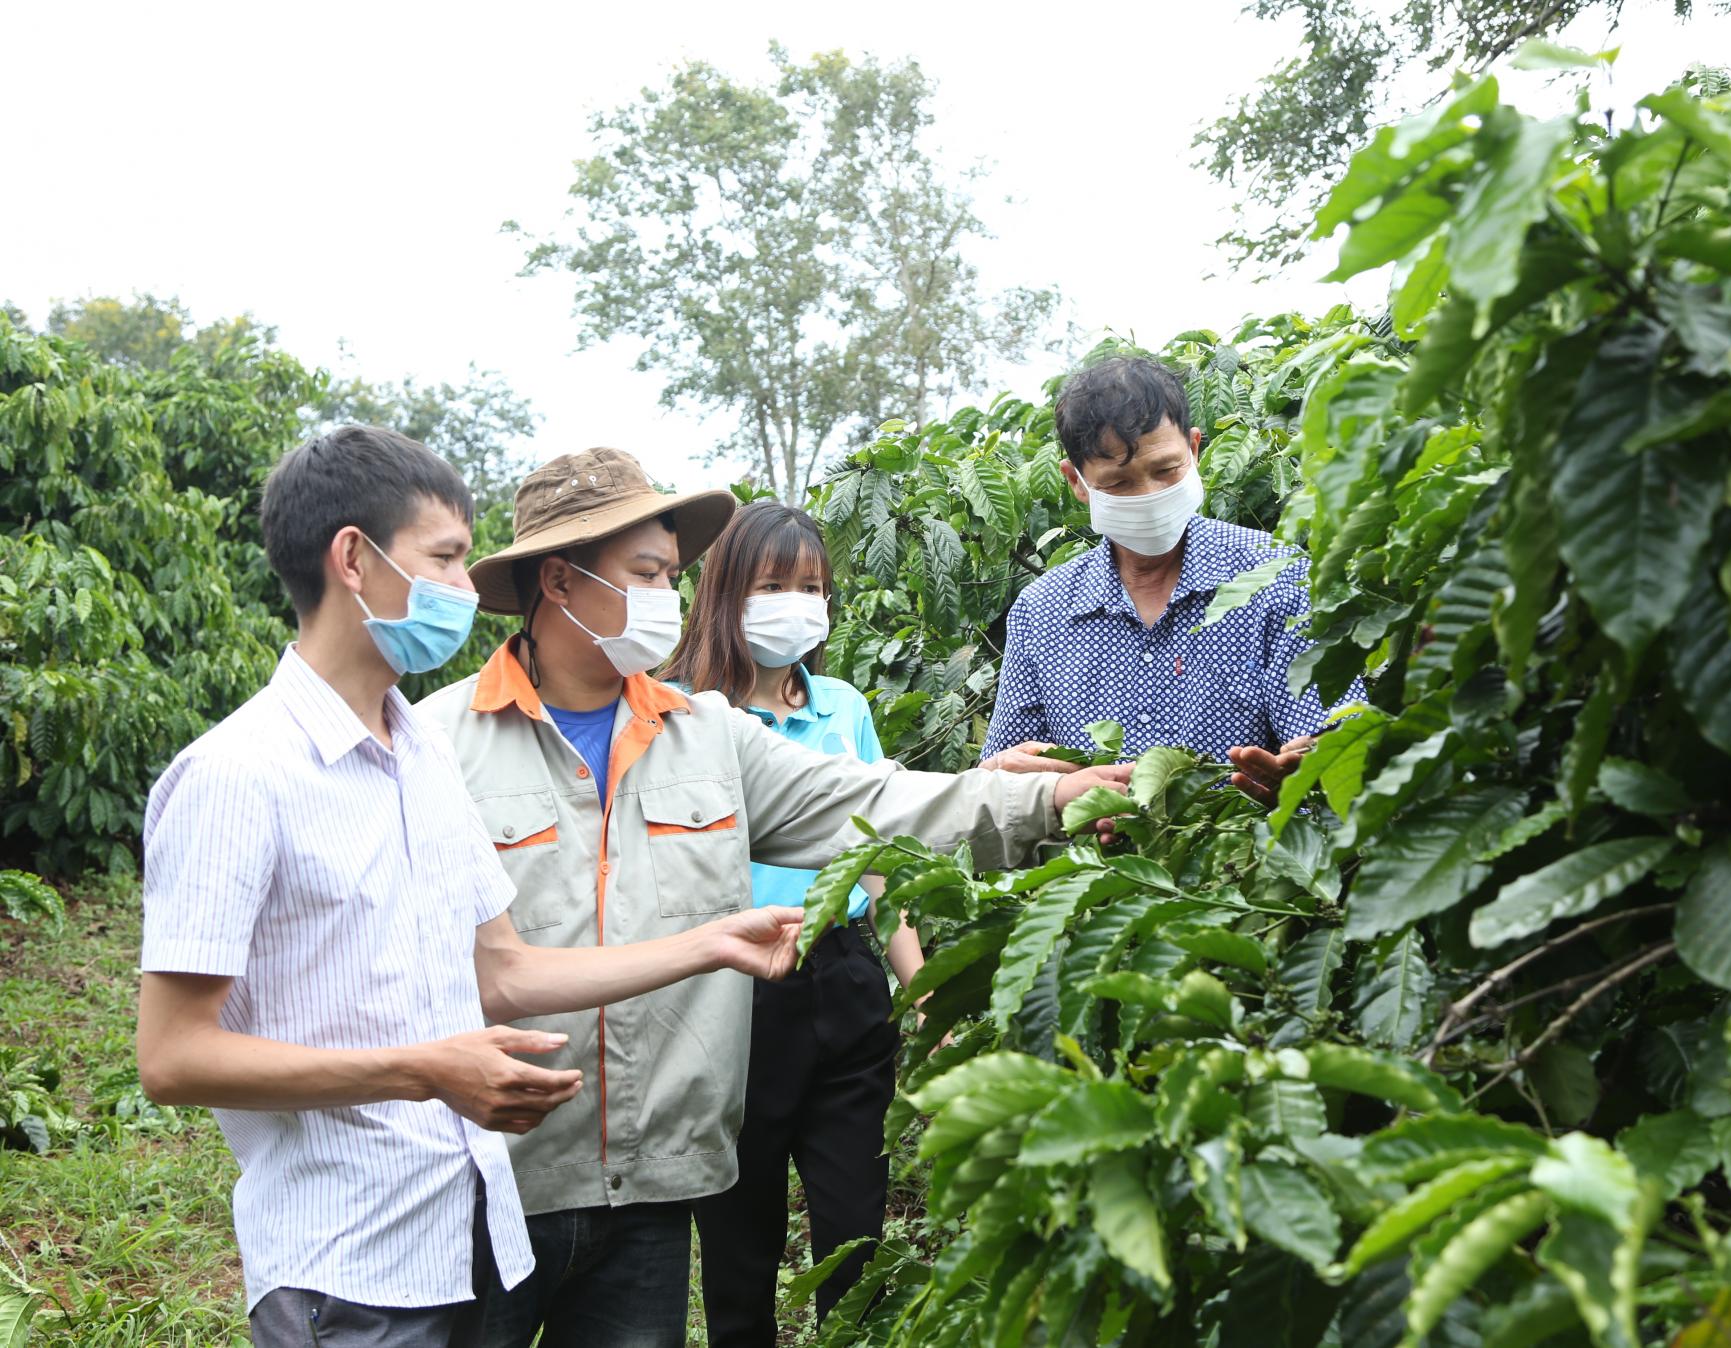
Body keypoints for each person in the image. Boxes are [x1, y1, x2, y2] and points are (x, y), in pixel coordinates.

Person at [416, 448, 1130, 1348]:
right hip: (493, 1174)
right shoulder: (436, 743)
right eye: (645, 575)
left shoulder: (709, 736)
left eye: (671, 578)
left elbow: (870, 802)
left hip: (654, 1185)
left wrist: (1047, 798)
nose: (665, 599)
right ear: (560, 580)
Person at [136, 426, 811, 1348]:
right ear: (352, 560)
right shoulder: (237, 776)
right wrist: (425, 1070)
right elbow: (172, 1059)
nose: (467, 592)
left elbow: (506, 967)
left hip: (463, 1228)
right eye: (448, 561)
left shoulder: (419, 755)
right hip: (342, 1270)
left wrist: (708, 944)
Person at [660, 501, 918, 1345]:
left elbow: (878, 856)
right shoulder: (681, 716)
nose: (796, 604)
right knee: (740, 1250)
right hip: (733, 989)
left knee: (857, 1239)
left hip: (842, 979)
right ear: (727, 595)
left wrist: (921, 987)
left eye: (811, 587)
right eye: (773, 585)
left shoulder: (841, 706)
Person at [979, 355, 1361, 800]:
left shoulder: (1275, 577)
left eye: (1167, 470)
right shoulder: (1042, 611)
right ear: (1077, 482)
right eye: (1118, 484)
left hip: (1248, 858)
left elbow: (1336, 730)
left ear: (1194, 449)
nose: (1149, 496)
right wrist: (1012, 779)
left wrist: (1314, 765)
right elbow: (1005, 777)